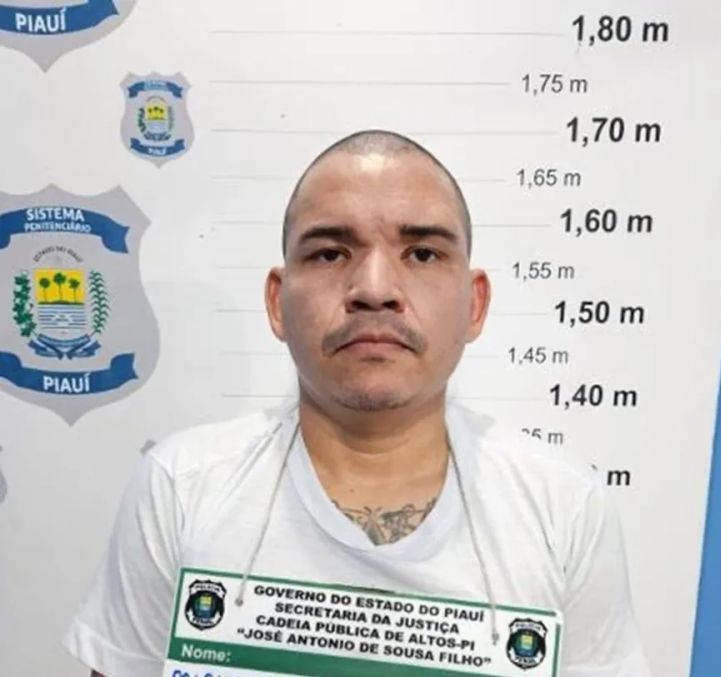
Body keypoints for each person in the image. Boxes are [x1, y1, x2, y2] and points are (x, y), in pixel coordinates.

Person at [63, 129, 652, 676]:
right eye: (329, 254)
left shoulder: (563, 508)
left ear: (474, 305)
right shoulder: (181, 488)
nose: (374, 289)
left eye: (422, 254)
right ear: (276, 302)